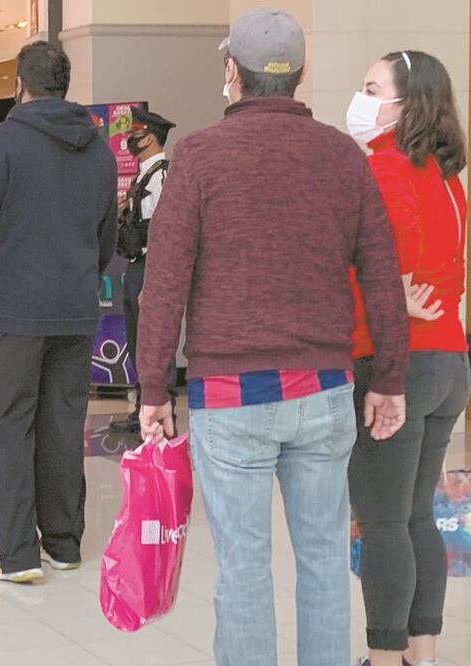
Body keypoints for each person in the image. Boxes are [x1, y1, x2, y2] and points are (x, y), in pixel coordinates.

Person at [136, 10, 409, 666]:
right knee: (320, 565)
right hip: (322, 389)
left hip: (229, 397)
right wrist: (390, 378)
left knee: (243, 572)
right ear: (300, 75)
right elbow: (380, 273)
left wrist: (151, 389)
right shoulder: (342, 156)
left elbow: (163, 282)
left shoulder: (196, 156)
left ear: (232, 71)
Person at [0, 41, 118, 584]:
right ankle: (65, 543)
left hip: (15, 311)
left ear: (20, 86)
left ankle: (17, 556)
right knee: (63, 424)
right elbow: (106, 234)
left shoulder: (4, 143)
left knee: (8, 426)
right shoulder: (98, 148)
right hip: (75, 309)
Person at [344, 50, 469, 666]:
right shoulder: (447, 178)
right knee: (418, 515)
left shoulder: (387, 168)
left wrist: (386, 295)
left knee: (384, 521)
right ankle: (424, 654)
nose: (360, 98)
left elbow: (391, 265)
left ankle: (385, 657)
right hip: (449, 361)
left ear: (404, 103)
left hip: (398, 364)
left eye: (371, 88)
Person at [110, 107, 176, 434]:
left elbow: (163, 231)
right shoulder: (143, 176)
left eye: (136, 133)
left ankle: (160, 405)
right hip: (135, 265)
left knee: (151, 342)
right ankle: (141, 408)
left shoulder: (162, 174)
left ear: (150, 136)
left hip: (150, 267)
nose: (131, 140)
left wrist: (153, 279)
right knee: (137, 342)